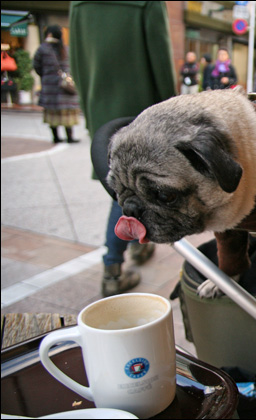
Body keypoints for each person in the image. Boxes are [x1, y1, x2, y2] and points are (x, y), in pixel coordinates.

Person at [69, 1, 177, 296]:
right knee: (126, 191)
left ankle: (136, 249)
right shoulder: (146, 3)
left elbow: (76, 65)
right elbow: (161, 67)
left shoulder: (79, 5)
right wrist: (171, 116)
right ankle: (113, 268)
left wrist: (90, 114)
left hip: (100, 112)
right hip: (140, 116)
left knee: (121, 187)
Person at [32, 25, 80, 144]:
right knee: (67, 112)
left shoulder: (43, 49)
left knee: (52, 113)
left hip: (51, 87)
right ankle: (70, 137)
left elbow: (36, 66)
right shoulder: (66, 49)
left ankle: (56, 137)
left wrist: (46, 76)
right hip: (66, 86)